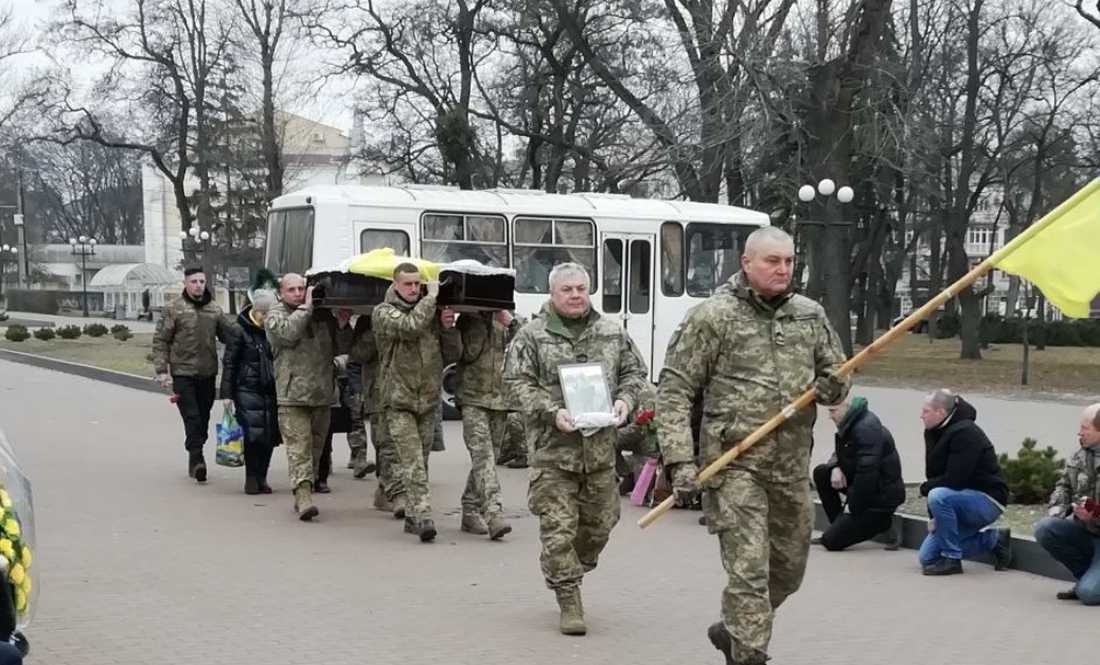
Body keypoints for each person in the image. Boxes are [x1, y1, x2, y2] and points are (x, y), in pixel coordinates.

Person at [656, 226, 850, 665]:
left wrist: (835, 384)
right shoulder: (714, 316)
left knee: (788, 571)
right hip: (734, 465)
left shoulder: (809, 315)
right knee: (748, 573)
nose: (782, 269)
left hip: (790, 467)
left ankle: (734, 629)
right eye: (772, 261)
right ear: (747, 264)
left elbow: (838, 376)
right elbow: (674, 391)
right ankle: (748, 654)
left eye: (788, 261)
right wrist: (680, 463)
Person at [503, 262, 648, 635]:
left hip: (600, 454)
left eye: (581, 288)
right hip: (554, 454)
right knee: (558, 532)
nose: (575, 295)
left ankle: (566, 568)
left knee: (601, 526)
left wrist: (626, 402)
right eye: (567, 289)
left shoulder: (611, 333)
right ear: (552, 294)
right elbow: (515, 384)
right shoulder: (531, 337)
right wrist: (551, 412)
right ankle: (569, 598)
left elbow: (635, 374)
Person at [373, 263, 462, 542]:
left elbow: (453, 353)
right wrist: (431, 299)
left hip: (427, 400)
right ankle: (424, 517)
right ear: (395, 284)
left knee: (421, 463)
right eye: (408, 284)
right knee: (411, 462)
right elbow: (409, 327)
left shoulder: (429, 313)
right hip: (398, 401)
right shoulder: (384, 312)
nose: (414, 289)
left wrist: (448, 328)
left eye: (417, 284)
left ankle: (412, 515)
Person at [265, 273, 353, 521]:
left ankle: (305, 489)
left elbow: (343, 347)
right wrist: (306, 308)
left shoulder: (322, 315)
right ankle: (304, 497)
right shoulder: (276, 314)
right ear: (281, 293)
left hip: (322, 395)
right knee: (298, 449)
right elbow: (286, 334)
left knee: (315, 450)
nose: (297, 293)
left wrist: (344, 326)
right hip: (292, 397)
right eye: (291, 289)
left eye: (301, 288)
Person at [916, 388, 1013, 575]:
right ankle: (994, 540)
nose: (921, 416)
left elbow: (955, 480)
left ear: (941, 412)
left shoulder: (966, 432)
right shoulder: (932, 431)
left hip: (987, 499)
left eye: (926, 411)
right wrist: (933, 516)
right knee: (927, 558)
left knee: (937, 495)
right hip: (956, 500)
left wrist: (926, 489)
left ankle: (952, 559)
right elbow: (935, 475)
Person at [152, 266, 232, 483]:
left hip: (207, 373)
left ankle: (195, 453)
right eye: (194, 281)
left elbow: (229, 336)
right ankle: (197, 458)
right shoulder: (174, 309)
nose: (198, 285)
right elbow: (161, 340)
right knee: (192, 415)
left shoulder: (214, 309)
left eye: (201, 282)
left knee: (203, 418)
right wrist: (161, 370)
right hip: (182, 373)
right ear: (185, 283)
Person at [454, 308, 520, 540]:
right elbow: (464, 354)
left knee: (490, 456)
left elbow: (527, 348)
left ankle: (470, 509)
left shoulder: (510, 320)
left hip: (501, 400)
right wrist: (478, 323)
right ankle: (493, 513)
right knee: (483, 456)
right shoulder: (468, 320)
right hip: (472, 398)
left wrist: (511, 324)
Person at [811, 395, 905, 551]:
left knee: (831, 542)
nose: (830, 417)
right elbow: (840, 453)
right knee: (822, 472)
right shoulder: (850, 423)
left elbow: (867, 473)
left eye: (833, 411)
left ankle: (884, 523)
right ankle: (840, 526)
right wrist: (835, 467)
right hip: (866, 490)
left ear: (847, 407)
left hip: (880, 498)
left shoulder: (866, 429)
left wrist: (852, 506)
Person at [1034, 403, 1100, 604]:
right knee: (1046, 528)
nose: (1079, 433)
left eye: (1085, 428)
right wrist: (1058, 506)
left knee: (1089, 595)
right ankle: (1087, 579)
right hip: (1087, 531)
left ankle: (1089, 586)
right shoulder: (1080, 454)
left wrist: (1096, 517)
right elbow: (1063, 485)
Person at [219, 288, 281, 495]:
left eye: (269, 314)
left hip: (271, 390)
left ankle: (263, 477)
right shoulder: (239, 331)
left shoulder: (274, 330)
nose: (266, 318)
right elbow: (230, 363)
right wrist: (227, 394)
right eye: (263, 313)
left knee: (269, 437)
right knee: (253, 436)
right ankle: (251, 478)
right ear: (255, 311)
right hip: (247, 389)